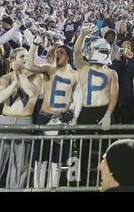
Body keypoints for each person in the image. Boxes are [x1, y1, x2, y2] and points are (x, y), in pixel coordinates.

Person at [26, 34, 78, 188]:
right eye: (56, 51)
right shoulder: (49, 69)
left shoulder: (75, 75)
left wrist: (72, 111)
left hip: (61, 119)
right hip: (45, 117)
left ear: (68, 56)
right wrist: (35, 45)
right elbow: (30, 66)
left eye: (61, 52)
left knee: (56, 161)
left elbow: (76, 98)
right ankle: (37, 189)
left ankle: (52, 189)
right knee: (40, 160)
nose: (57, 54)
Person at [73, 23, 119, 185]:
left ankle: (105, 182)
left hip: (103, 112)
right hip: (86, 112)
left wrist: (108, 114)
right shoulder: (84, 67)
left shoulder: (111, 72)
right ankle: (83, 184)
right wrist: (82, 36)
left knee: (106, 152)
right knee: (84, 152)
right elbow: (77, 52)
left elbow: (114, 94)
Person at [0, 47, 42, 188]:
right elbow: (1, 97)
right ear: (13, 60)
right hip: (5, 122)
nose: (26, 59)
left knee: (20, 166)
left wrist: (20, 74)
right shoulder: (4, 78)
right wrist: (15, 81)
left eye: (27, 56)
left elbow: (31, 92)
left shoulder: (37, 77)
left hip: (25, 123)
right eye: (22, 56)